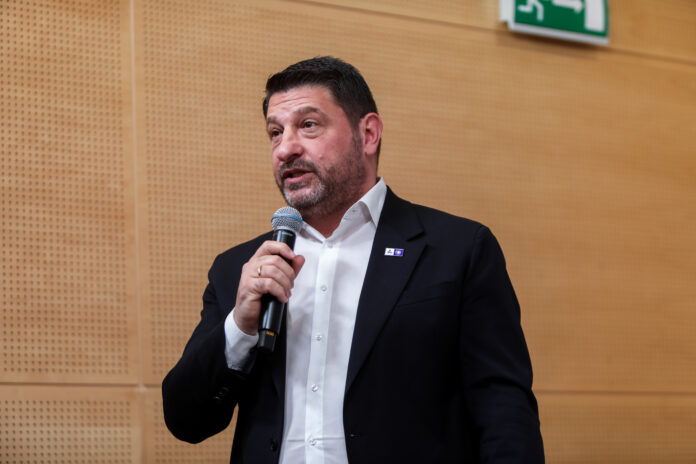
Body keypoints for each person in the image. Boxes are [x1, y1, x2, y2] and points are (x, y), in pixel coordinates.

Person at [162, 56, 544, 463]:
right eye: (275, 132)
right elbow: (186, 421)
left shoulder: (457, 250)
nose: (286, 148)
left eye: (309, 125)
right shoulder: (240, 269)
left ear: (368, 134)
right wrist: (240, 327)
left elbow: (504, 411)